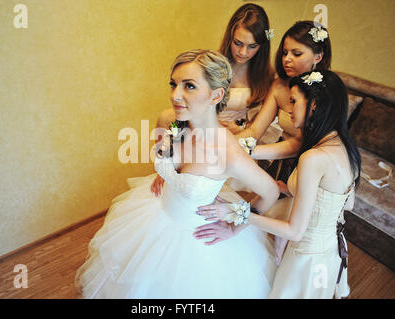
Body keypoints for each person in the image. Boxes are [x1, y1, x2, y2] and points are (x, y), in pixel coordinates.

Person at [75, 49, 279, 298]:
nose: (175, 95)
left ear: (216, 95)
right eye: (174, 84)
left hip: (198, 245)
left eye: (189, 86)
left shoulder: (228, 153)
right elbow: (166, 155)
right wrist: (167, 174)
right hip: (155, 216)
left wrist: (236, 224)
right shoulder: (175, 123)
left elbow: (270, 191)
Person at [195, 70, 361, 299]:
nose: (289, 109)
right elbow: (348, 203)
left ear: (314, 105)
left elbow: (294, 231)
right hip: (329, 251)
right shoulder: (347, 148)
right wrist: (290, 189)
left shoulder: (313, 158)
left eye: (294, 101)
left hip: (305, 255)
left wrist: (237, 212)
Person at [152, 3, 274, 195]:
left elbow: (258, 126)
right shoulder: (213, 67)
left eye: (252, 46)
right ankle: (166, 169)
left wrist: (240, 128)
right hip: (204, 122)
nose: (243, 52)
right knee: (166, 118)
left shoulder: (266, 76)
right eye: (238, 43)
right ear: (229, 38)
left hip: (235, 134)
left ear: (262, 45)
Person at [236, 20, 332, 183]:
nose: (287, 59)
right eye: (285, 52)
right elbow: (255, 131)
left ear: (318, 56)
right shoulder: (279, 86)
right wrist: (226, 142)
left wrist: (251, 151)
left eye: (296, 54)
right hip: (283, 159)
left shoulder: (326, 93)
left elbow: (300, 143)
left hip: (312, 166)